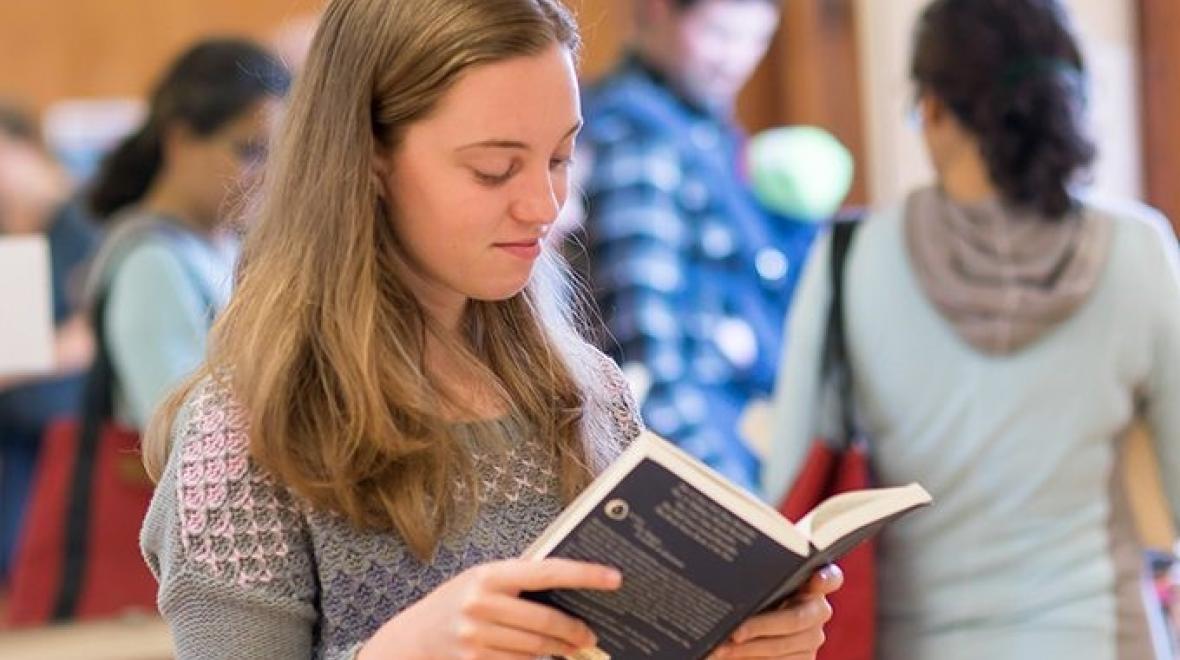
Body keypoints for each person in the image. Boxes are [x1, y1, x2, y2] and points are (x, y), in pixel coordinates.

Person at [139, 1, 840, 658]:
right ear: (368, 158)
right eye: (494, 169)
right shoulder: (247, 432)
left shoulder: (587, 391)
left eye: (560, 159)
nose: (544, 205)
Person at [764, 1, 1180, 658]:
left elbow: (787, 492)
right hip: (1097, 636)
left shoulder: (850, 258)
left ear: (932, 108)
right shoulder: (1138, 251)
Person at [573, 0, 818, 493]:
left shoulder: (704, 130)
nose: (736, 59)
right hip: (686, 453)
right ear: (657, 11)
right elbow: (645, 353)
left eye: (756, 39)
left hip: (729, 430)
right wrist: (732, 497)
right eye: (720, 34)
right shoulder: (641, 139)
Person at [85, 38, 290, 431]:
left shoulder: (228, 243)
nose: (267, 175)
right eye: (250, 151)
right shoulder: (150, 261)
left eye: (276, 156)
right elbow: (178, 430)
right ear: (180, 141)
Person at [0, 104, 99, 580]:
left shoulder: (82, 220)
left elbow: (90, 332)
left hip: (62, 422)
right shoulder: (12, 225)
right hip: (16, 422)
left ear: (25, 148)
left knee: (29, 555)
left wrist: (19, 363)